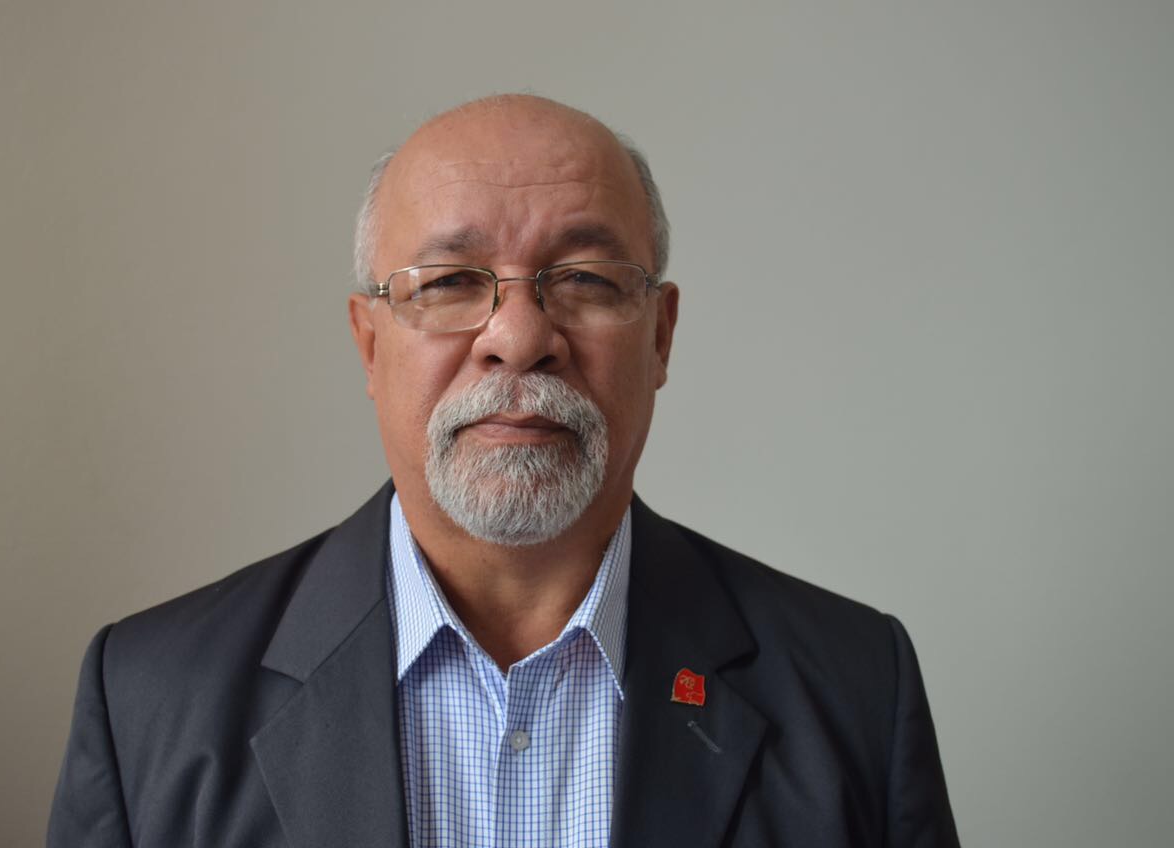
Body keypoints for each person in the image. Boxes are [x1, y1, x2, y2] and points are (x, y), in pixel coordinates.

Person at [48, 95, 960, 847]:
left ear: (661, 336)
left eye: (587, 279)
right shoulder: (149, 700)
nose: (519, 338)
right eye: (449, 282)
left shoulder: (855, 688)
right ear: (370, 345)